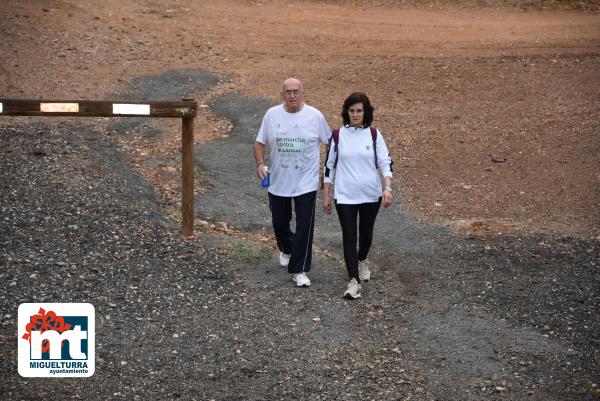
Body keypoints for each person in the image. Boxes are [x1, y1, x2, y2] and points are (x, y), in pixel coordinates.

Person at [253, 78, 331, 287]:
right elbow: (259, 143)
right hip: (279, 181)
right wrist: (260, 164)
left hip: (306, 182)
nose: (292, 95)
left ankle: (300, 269)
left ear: (302, 93)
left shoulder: (315, 116)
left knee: (305, 226)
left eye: (296, 91)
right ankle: (287, 249)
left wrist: (326, 171)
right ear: (282, 94)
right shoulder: (272, 115)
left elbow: (330, 142)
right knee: (280, 222)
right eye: (288, 92)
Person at [322, 92, 393, 299]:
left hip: (371, 194)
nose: (355, 114)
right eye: (351, 111)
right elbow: (329, 167)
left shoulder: (374, 134)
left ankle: (362, 259)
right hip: (344, 195)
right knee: (349, 235)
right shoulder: (337, 135)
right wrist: (326, 195)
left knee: (366, 233)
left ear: (365, 112)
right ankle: (353, 281)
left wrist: (387, 188)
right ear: (347, 112)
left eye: (359, 111)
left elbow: (385, 162)